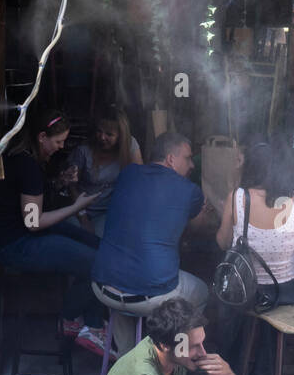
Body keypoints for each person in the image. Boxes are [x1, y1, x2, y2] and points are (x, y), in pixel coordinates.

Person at [0, 111, 110, 355]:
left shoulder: (25, 158)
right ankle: (79, 322)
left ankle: (79, 320)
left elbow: (30, 201)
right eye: (58, 142)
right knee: (101, 264)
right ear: (42, 137)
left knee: (102, 249)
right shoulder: (27, 165)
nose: (61, 147)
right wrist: (76, 208)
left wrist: (60, 182)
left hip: (23, 235)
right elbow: (33, 222)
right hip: (16, 245)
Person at [92, 131, 216, 354]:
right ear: (170, 158)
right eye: (188, 158)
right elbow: (199, 228)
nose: (192, 165)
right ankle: (172, 360)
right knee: (202, 291)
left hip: (103, 287)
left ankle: (126, 359)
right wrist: (206, 213)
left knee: (126, 291)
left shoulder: (128, 173)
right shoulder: (190, 190)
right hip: (149, 295)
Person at [214, 139, 294, 375]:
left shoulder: (238, 197)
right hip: (284, 293)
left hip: (245, 292)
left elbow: (223, 243)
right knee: (269, 340)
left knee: (229, 317)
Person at [101, 297, 239, 375]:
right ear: (165, 346)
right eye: (192, 346)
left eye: (201, 343)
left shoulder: (176, 347)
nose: (203, 352)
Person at [66, 105, 143, 236]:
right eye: (99, 131)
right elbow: (71, 187)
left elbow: (140, 181)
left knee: (100, 239)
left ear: (120, 136)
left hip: (109, 212)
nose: (102, 137)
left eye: (109, 134)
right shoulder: (84, 151)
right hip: (80, 209)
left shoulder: (130, 146)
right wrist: (83, 218)